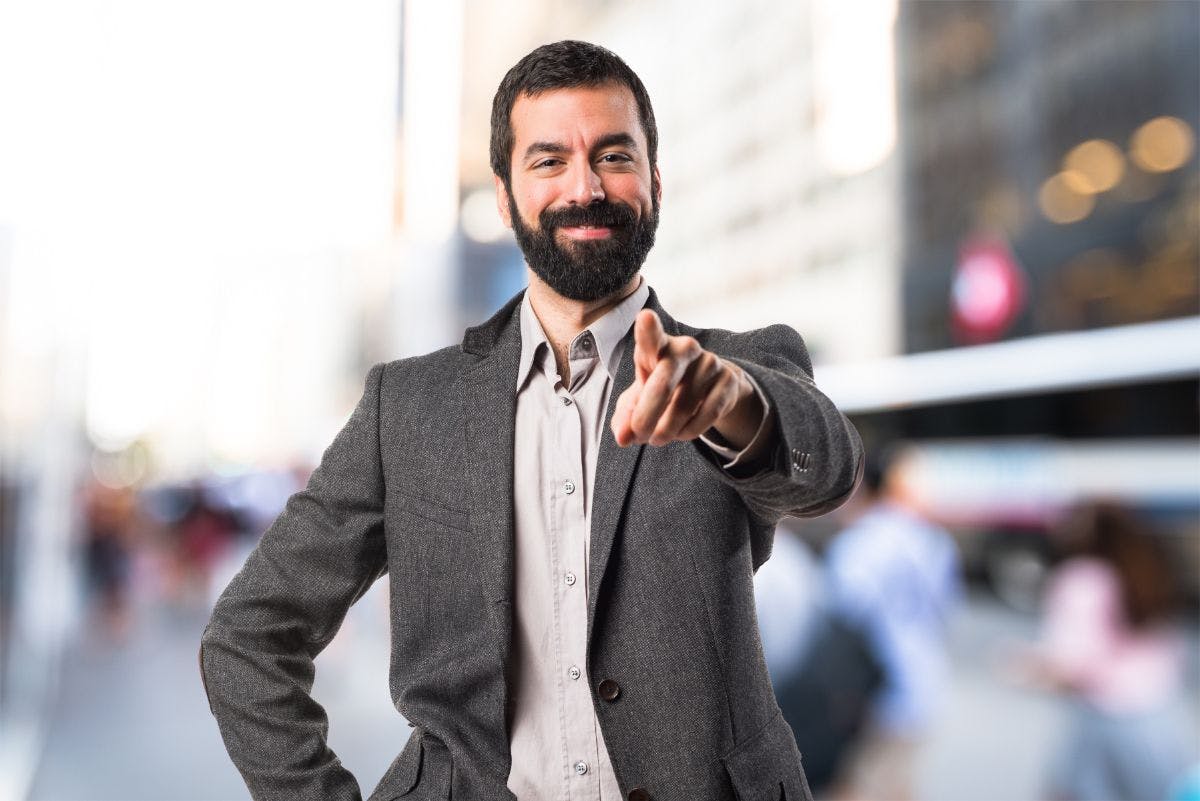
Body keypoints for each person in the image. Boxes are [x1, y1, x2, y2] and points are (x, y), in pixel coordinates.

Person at [199, 40, 863, 801]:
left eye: (614, 155)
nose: (585, 186)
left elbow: (828, 466)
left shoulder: (741, 367)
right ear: (506, 191)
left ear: (655, 179)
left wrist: (733, 405)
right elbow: (248, 636)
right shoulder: (407, 408)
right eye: (549, 161)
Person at [1019, 502, 1192, 801]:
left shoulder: (1081, 579)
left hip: (1103, 717)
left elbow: (1071, 663)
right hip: (1155, 714)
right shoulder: (1145, 571)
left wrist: (1024, 666)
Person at [823, 446, 961, 801]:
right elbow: (945, 611)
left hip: (874, 694)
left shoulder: (859, 544)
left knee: (856, 786)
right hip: (925, 681)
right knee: (897, 784)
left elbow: (843, 621)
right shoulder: (935, 540)